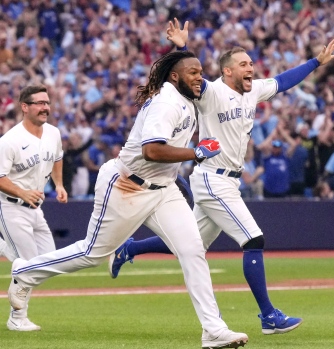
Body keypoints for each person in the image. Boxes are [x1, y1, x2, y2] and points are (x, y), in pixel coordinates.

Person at [108, 19, 334, 335]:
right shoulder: (212, 92)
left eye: (251, 63)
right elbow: (190, 75)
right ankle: (268, 316)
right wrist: (182, 46)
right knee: (253, 239)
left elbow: (284, 81)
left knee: (189, 243)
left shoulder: (253, 90)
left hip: (228, 179)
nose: (250, 68)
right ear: (227, 71)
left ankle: (129, 249)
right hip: (212, 178)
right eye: (243, 64)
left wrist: (316, 62)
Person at [8, 51, 249, 349]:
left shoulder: (185, 96)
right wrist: (195, 153)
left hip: (163, 189)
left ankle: (213, 330)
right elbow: (152, 151)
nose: (200, 77)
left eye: (201, 71)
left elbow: (170, 145)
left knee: (193, 251)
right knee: (92, 254)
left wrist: (180, 46)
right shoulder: (166, 102)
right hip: (126, 184)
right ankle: (24, 271)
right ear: (175, 77)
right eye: (193, 72)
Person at [0, 85, 67, 332]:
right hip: (11, 207)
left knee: (49, 261)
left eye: (47, 102)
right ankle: (17, 319)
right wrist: (22, 192)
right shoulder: (10, 141)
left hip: (35, 208)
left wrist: (59, 184)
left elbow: (58, 158)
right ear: (24, 107)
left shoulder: (53, 133)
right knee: (27, 265)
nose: (45, 107)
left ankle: (3, 246)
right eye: (39, 103)